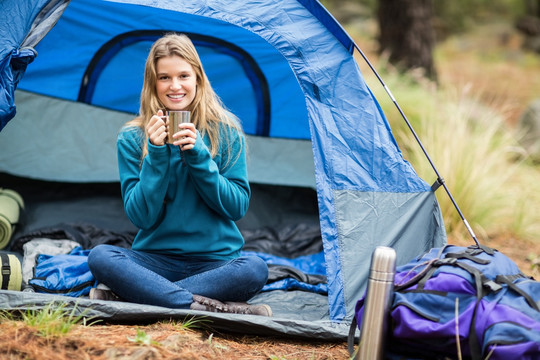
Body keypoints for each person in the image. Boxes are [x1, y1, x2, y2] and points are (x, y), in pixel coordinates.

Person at [87, 33, 271, 317]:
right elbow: (141, 218)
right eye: (164, 78)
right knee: (101, 256)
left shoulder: (226, 130)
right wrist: (156, 155)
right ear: (153, 83)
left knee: (255, 268)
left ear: (197, 78)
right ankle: (208, 306)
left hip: (216, 262)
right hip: (154, 260)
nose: (175, 86)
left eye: (183, 75)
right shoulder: (133, 137)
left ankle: (139, 294)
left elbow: (236, 207)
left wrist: (199, 157)